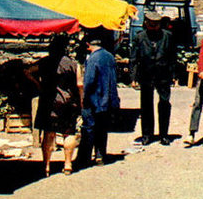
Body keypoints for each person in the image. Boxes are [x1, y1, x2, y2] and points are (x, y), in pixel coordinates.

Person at [26, 35, 81, 176]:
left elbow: (27, 72)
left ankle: (46, 166)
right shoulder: (73, 64)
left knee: (49, 134)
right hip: (68, 102)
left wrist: (39, 85)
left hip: (48, 101)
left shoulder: (44, 62)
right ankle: (68, 164)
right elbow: (80, 84)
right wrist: (81, 99)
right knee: (68, 133)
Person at [131, 10, 176, 145]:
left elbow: (173, 57)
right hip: (146, 75)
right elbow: (134, 58)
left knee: (164, 104)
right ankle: (147, 135)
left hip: (163, 75)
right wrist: (133, 77)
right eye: (151, 25)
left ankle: (164, 135)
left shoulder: (168, 36)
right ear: (146, 23)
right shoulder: (140, 37)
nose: (154, 28)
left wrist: (173, 75)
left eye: (156, 25)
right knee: (146, 106)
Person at [75, 37, 120, 168]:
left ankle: (84, 158)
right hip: (107, 98)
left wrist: (83, 97)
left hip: (94, 98)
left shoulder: (93, 58)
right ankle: (100, 156)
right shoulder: (110, 56)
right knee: (102, 128)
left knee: (89, 128)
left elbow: (89, 80)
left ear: (88, 45)